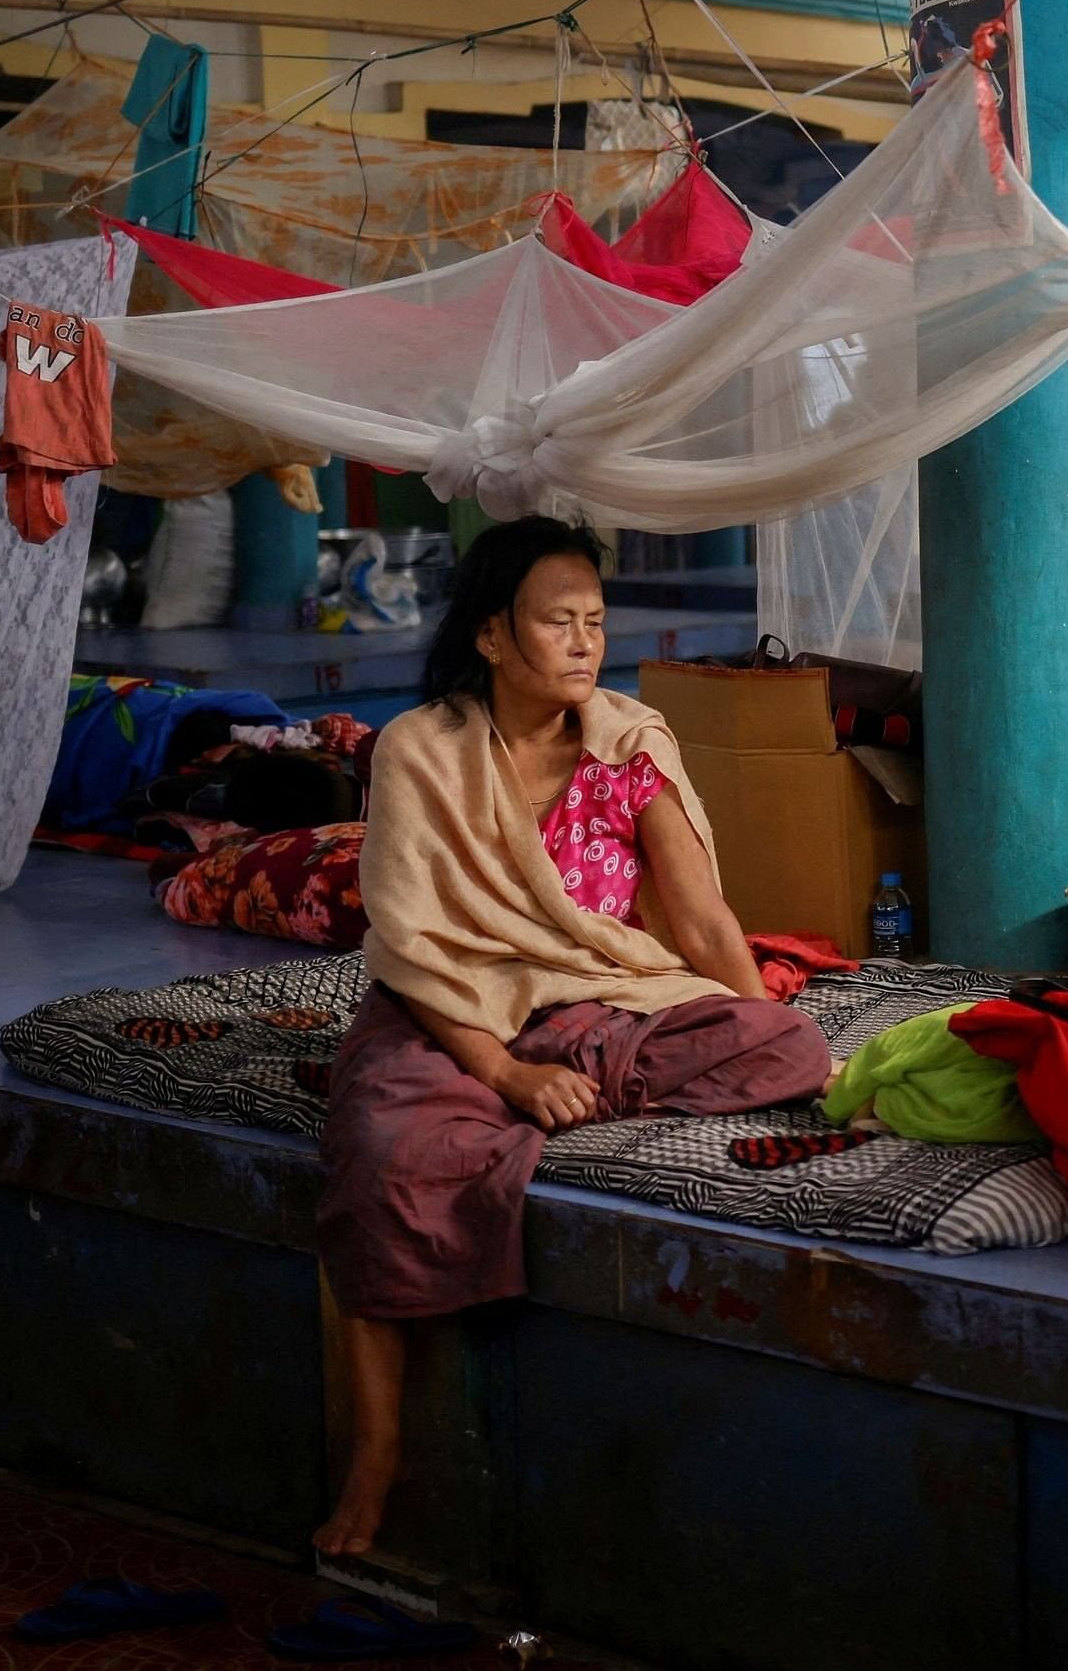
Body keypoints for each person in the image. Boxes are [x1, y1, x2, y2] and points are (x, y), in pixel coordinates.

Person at [314, 516, 830, 1556]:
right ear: (495, 635)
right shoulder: (422, 749)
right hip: (451, 1009)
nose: (584, 642)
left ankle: (562, 1086)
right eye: (558, 621)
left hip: (599, 1005)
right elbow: (413, 946)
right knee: (379, 1148)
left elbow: (695, 924)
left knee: (790, 1051)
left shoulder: (630, 742)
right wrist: (503, 1067)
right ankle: (375, 1456)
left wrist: (771, 1019)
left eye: (595, 621)